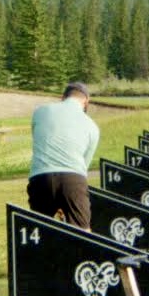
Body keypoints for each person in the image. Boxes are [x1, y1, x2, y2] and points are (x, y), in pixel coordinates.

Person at [27, 81, 100, 229]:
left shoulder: (40, 112)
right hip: (73, 179)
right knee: (82, 234)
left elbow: (37, 140)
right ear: (86, 101)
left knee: (39, 234)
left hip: (41, 178)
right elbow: (83, 166)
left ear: (63, 97)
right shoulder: (92, 126)